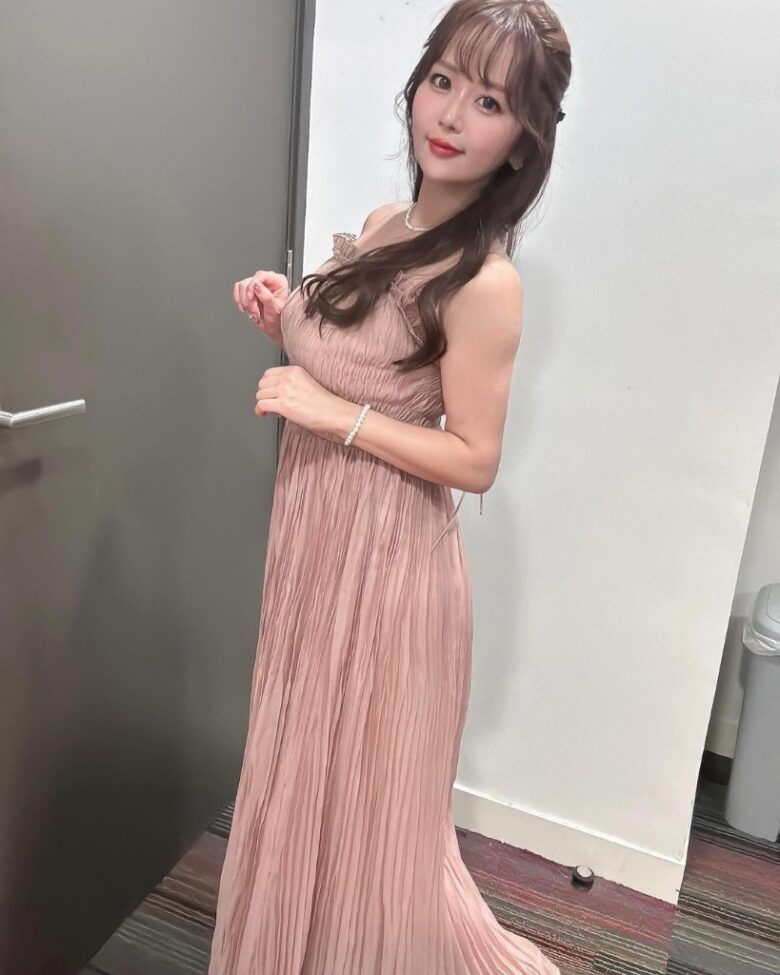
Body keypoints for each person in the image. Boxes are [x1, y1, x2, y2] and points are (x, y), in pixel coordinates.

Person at [209, 1, 571, 971]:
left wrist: (331, 412)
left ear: (522, 139)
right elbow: (368, 361)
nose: (449, 113)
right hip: (317, 543)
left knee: (367, 816)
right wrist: (289, 320)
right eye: (442, 80)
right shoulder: (384, 224)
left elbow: (476, 458)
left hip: (389, 566)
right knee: (304, 779)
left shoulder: (485, 282)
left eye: (488, 100)